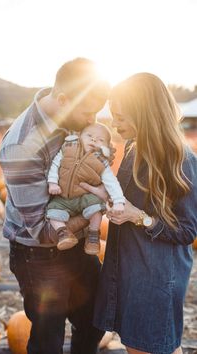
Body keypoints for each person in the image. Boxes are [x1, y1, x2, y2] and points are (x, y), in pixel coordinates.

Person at [0, 58, 110, 354]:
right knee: (48, 341)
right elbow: (41, 230)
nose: (92, 121)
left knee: (95, 320)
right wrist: (95, 207)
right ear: (62, 100)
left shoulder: (72, 116)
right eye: (88, 113)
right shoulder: (21, 147)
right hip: (39, 254)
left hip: (78, 244)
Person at [81, 73, 197, 354]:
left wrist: (138, 217)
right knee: (147, 345)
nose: (115, 125)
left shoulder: (181, 161)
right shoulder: (135, 149)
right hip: (129, 268)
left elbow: (187, 231)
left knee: (152, 346)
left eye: (122, 118)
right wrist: (102, 193)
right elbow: (124, 198)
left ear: (144, 114)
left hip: (156, 277)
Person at [46, 122, 125, 255]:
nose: (94, 140)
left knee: (97, 209)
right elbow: (55, 164)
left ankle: (93, 235)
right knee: (52, 211)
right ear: (79, 136)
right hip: (62, 197)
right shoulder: (68, 148)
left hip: (85, 197)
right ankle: (64, 233)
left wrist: (119, 201)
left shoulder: (101, 162)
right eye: (89, 136)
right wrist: (53, 183)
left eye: (101, 140)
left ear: (105, 147)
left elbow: (112, 182)